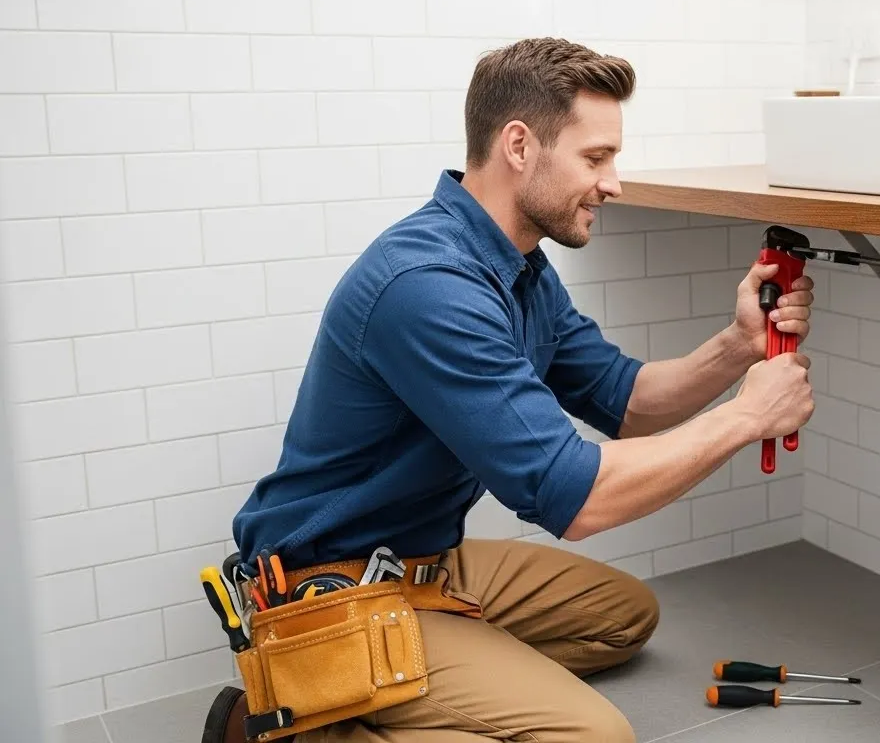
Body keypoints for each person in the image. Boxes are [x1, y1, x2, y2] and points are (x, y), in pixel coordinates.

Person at [202, 37, 815, 743]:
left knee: (623, 617)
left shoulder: (517, 265)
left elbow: (627, 399)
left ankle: (409, 683)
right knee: (595, 737)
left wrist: (736, 346)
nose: (613, 183)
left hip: (425, 560)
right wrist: (744, 417)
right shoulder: (429, 287)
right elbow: (575, 496)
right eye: (596, 157)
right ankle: (289, 718)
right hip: (333, 585)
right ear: (519, 145)